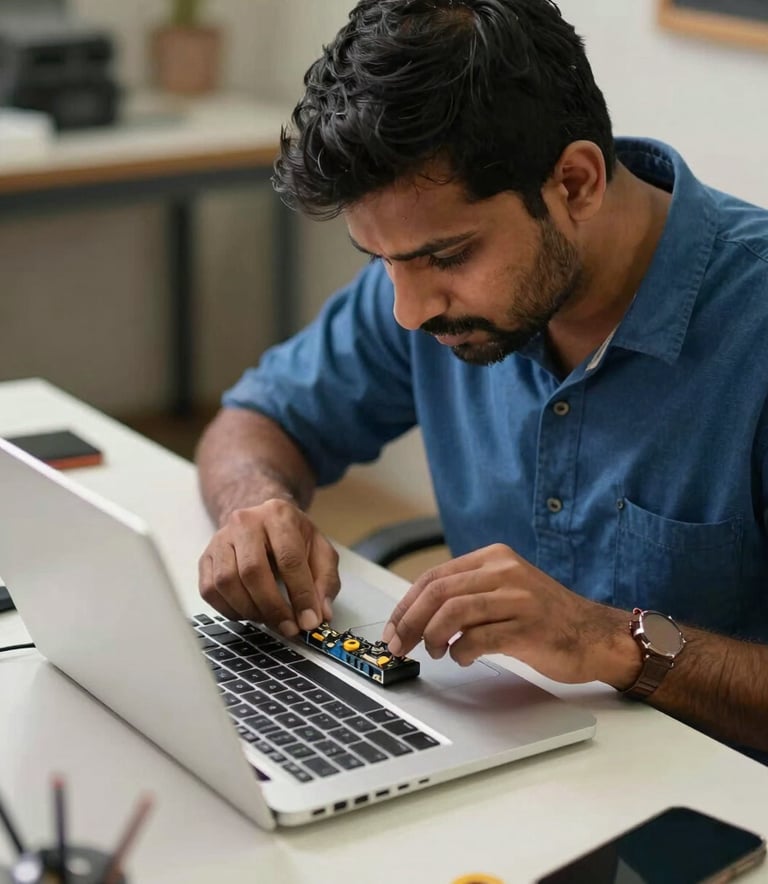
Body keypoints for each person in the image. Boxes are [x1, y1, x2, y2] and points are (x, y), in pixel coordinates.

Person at [195, 0, 768, 760]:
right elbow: (256, 421)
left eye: (447, 257)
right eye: (380, 262)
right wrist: (256, 508)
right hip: (506, 761)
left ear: (575, 183)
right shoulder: (426, 271)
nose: (407, 310)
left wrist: (614, 641)